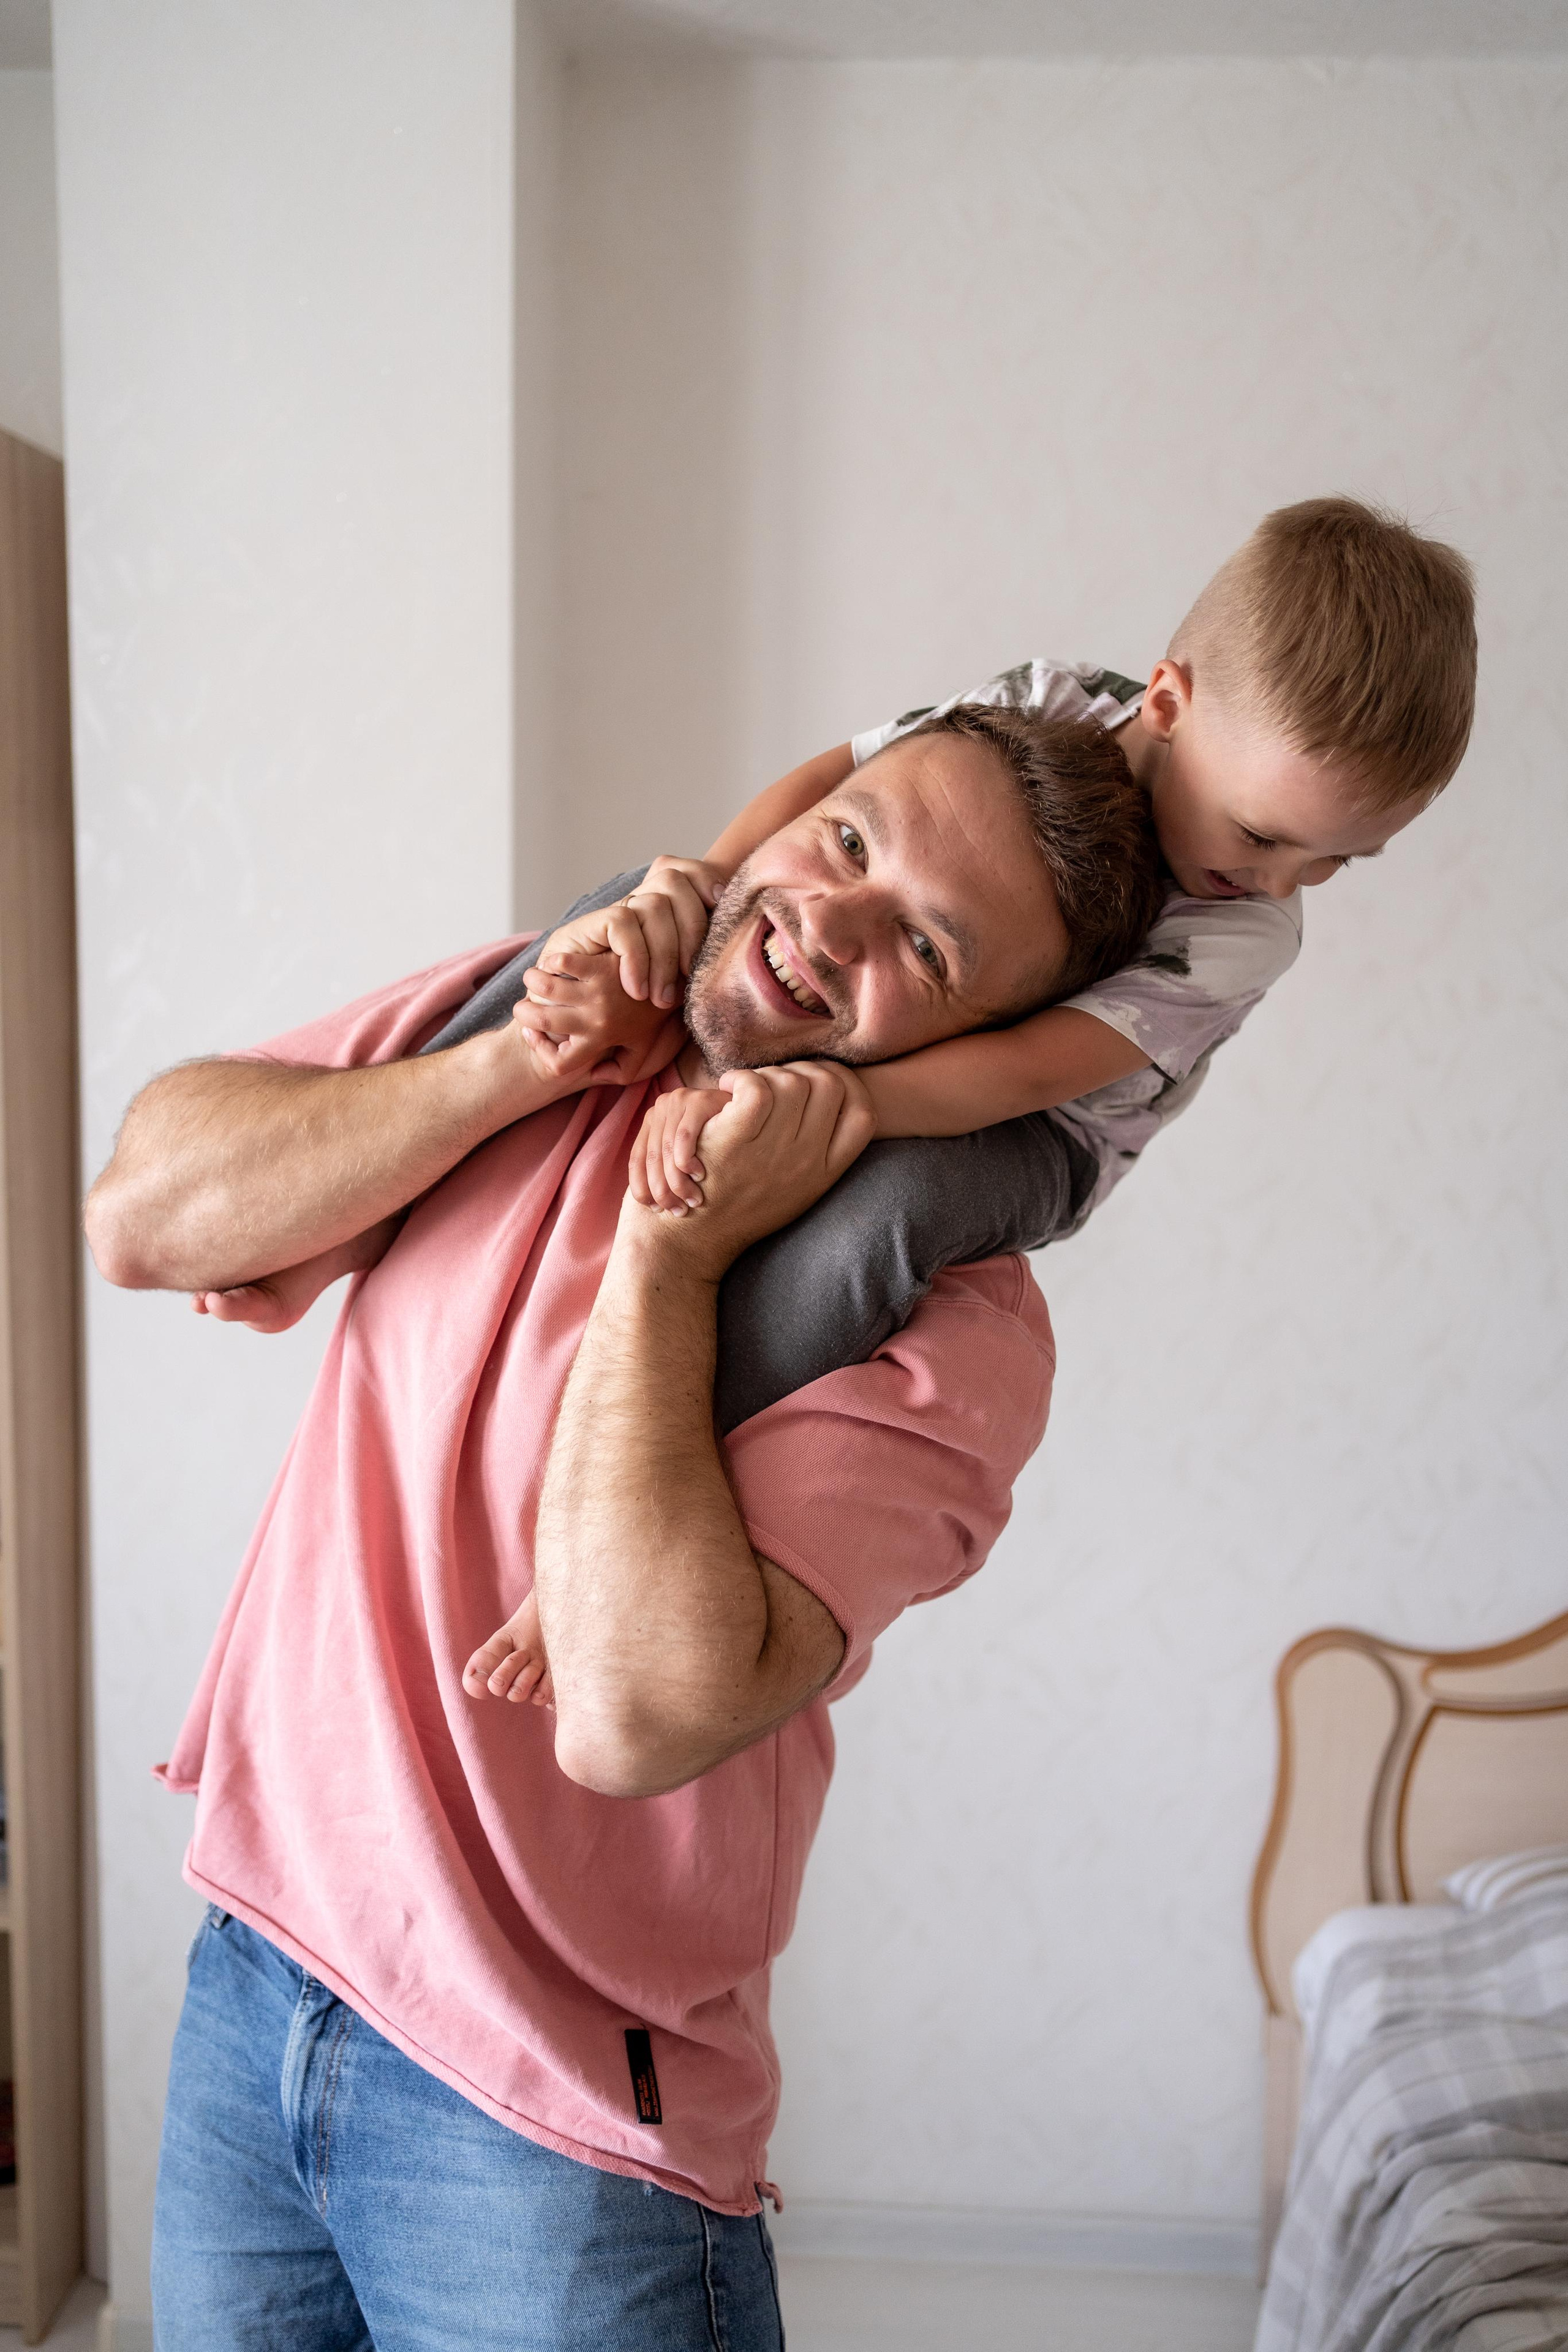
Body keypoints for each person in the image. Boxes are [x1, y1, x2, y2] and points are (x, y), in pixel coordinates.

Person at [85, 707, 1163, 2350]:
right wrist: (519, 1056)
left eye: (928, 952)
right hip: (255, 1984)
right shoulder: (549, 1002)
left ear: (989, 1049)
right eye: (852, 843)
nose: (832, 925)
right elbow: (144, 1215)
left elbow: (635, 1709)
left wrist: (671, 1256)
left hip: (554, 2137)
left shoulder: (952, 1329)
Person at [458, 496, 1479, 1706]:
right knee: (630, 902)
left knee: (880, 1213)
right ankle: (416, 1137)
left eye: (1331, 862)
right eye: (1266, 835)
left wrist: (802, 1105)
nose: (1281, 880)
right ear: (1163, 702)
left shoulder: (1244, 932)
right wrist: (700, 895)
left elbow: (1029, 1070)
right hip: (926, 1021)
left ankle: (580, 1546)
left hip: (1033, 1132)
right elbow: (833, 781)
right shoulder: (1048, 699)